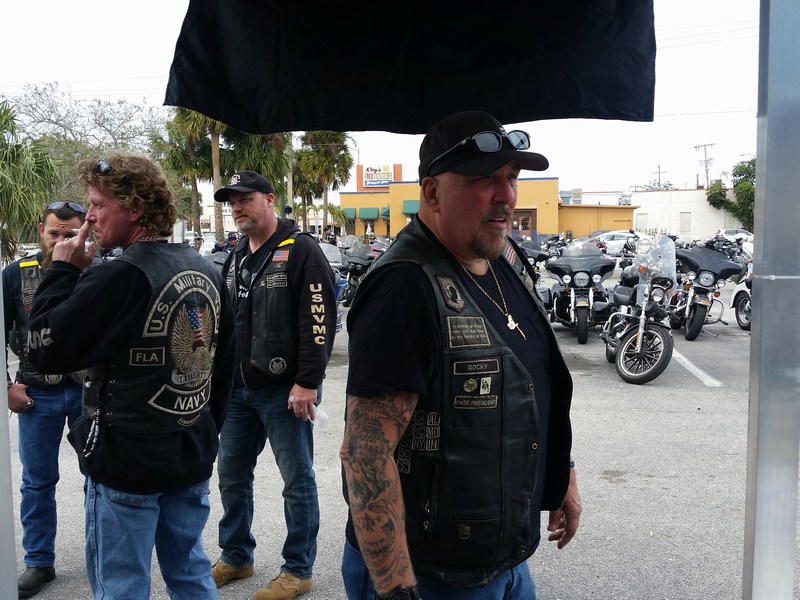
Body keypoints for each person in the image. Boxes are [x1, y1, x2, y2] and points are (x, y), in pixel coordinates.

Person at [339, 110, 582, 600]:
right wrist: (396, 589)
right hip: (432, 575)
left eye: (511, 177)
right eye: (484, 179)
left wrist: (563, 477)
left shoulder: (503, 258)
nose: (506, 195)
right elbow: (366, 451)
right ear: (432, 193)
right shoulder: (404, 287)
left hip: (504, 562)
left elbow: (533, 383)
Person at [26, 150, 235, 599]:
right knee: (190, 571)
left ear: (136, 208)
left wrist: (61, 272)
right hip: (189, 451)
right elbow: (222, 368)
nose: (90, 217)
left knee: (121, 584)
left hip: (127, 460)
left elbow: (43, 349)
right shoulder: (204, 267)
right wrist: (201, 429)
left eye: (98, 204)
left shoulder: (119, 275)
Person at [211, 170, 338, 600]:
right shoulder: (236, 254)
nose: (236, 207)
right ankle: (236, 556)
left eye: (244, 198)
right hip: (238, 390)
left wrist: (307, 381)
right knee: (231, 475)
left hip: (285, 391)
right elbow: (229, 321)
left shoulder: (301, 249)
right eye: (232, 201)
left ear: (269, 199)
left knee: (296, 481)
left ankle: (298, 569)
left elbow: (318, 319)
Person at [3, 200, 87, 598]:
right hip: (35, 393)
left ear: (84, 230)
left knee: (100, 478)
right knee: (36, 481)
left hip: (90, 391)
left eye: (70, 233)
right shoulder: (15, 274)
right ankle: (39, 561)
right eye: (54, 233)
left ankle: (102, 553)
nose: (61, 240)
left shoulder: (99, 269)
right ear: (41, 231)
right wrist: (6, 385)